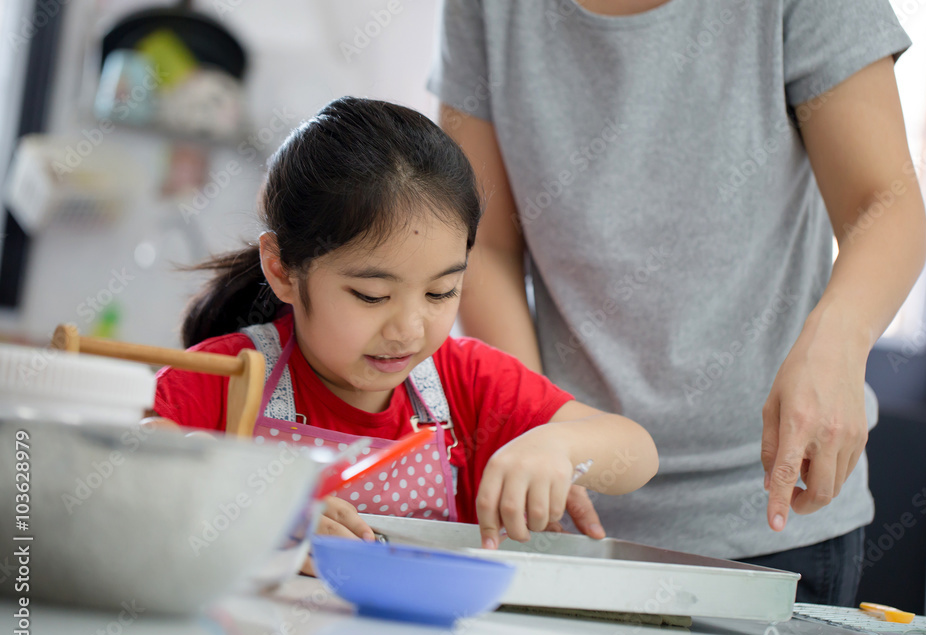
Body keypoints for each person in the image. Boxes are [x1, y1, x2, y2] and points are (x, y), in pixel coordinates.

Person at [428, 0, 926, 605]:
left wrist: (838, 347)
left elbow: (886, 203)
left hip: (771, 516)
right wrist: (536, 428)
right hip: (568, 521)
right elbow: (485, 246)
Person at [150, 96, 658, 552]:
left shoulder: (465, 384)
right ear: (282, 269)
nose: (409, 329)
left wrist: (558, 446)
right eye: (372, 296)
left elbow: (636, 451)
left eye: (441, 292)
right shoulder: (227, 379)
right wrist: (252, 506)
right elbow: (121, 462)